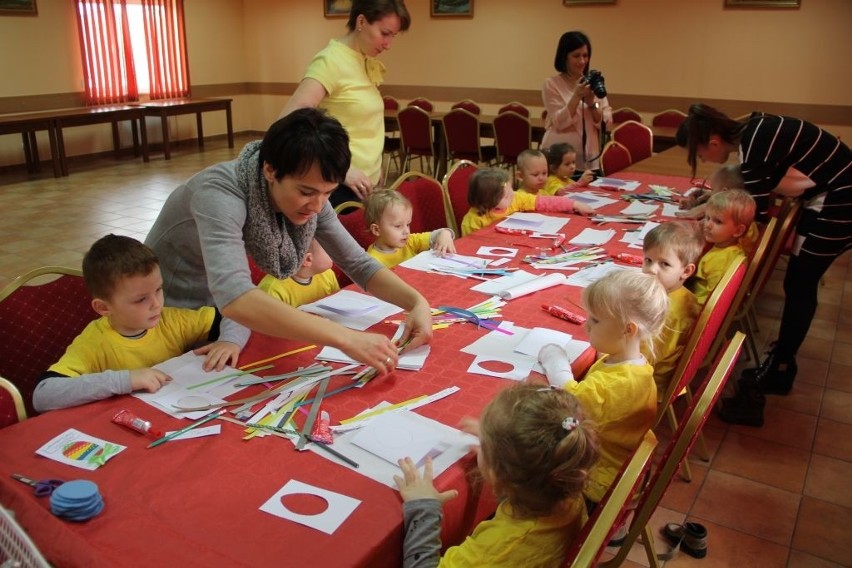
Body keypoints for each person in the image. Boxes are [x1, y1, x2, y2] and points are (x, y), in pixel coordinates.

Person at [145, 108, 432, 376]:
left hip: (218, 315)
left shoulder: (309, 195)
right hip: (160, 315)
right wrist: (345, 338)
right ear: (270, 170)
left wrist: (416, 301)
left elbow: (357, 262)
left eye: (327, 192)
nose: (318, 206)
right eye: (307, 192)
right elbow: (235, 296)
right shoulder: (218, 194)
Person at [678, 104, 851, 419]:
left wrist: (708, 215)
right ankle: (782, 361)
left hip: (841, 199)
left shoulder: (754, 152)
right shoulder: (754, 131)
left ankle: (781, 366)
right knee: (798, 281)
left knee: (800, 282)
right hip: (826, 194)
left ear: (713, 142)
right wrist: (710, 202)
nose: (704, 160)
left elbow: (750, 219)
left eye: (700, 154)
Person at [33, 235, 248, 412]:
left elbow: (237, 313)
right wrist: (125, 380)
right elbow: (43, 395)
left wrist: (230, 340)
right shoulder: (95, 341)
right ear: (103, 308)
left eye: (158, 290)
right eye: (141, 299)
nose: (156, 304)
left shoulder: (170, 319)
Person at [394, 383, 599, 567]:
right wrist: (496, 440)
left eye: (484, 445)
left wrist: (424, 508)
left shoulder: (499, 551)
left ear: (499, 475)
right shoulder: (564, 481)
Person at [537, 270, 668, 505]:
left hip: (598, 485)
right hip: (621, 469)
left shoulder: (616, 385)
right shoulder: (635, 364)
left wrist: (553, 358)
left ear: (628, 330)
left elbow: (570, 399)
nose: (586, 325)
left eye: (595, 320)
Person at [279, 0, 411, 207]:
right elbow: (290, 122)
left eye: (392, 36)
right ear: (361, 21)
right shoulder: (331, 60)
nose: (388, 44)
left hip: (365, 185)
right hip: (338, 186)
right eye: (384, 33)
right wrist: (341, 169)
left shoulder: (364, 60)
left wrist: (375, 168)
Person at [641, 221, 704, 398]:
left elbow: (646, 358)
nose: (652, 270)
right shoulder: (684, 295)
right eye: (648, 260)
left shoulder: (667, 312)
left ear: (686, 271)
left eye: (664, 264)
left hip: (649, 385)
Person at [541, 31, 613, 172]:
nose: (582, 61)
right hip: (559, 159)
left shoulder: (593, 83)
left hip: (588, 157)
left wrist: (592, 103)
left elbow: (607, 121)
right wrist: (576, 96)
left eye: (585, 55)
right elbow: (559, 122)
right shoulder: (551, 84)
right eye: (576, 56)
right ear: (564, 57)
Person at [460, 168, 593, 236]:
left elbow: (545, 202)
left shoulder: (516, 198)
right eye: (506, 196)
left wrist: (574, 204)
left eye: (511, 189)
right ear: (488, 200)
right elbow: (470, 246)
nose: (512, 194)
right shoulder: (473, 221)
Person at [690, 190, 756, 307]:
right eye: (707, 217)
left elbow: (712, 303)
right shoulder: (727, 245)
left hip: (696, 307)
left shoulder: (721, 262)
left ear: (738, 231)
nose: (707, 225)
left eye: (718, 221)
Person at [364, 188, 455, 268]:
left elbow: (436, 236)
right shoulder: (372, 262)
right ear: (376, 230)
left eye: (407, 224)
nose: (406, 231)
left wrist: (445, 234)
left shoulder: (409, 241)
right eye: (398, 226)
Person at [257, 239, 340, 307]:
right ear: (308, 259)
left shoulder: (327, 274)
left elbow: (338, 304)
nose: (334, 250)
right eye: (328, 248)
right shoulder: (272, 290)